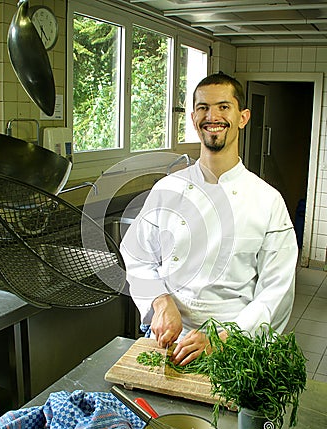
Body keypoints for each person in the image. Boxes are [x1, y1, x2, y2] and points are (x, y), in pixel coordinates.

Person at [120, 72, 298, 367]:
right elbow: (136, 257)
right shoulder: (167, 190)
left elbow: (276, 291)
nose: (212, 116)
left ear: (243, 117)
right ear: (193, 118)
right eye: (203, 107)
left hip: (236, 347)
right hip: (171, 345)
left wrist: (224, 338)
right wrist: (160, 300)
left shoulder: (268, 201)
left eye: (223, 107)